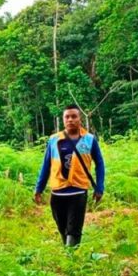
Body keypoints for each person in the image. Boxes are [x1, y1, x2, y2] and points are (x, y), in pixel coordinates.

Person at [34, 105, 105, 248]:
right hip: (57, 192)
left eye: (74, 116)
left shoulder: (89, 140)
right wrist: (39, 189)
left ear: (80, 119)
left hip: (78, 192)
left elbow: (100, 164)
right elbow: (46, 165)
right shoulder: (54, 140)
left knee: (74, 228)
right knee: (62, 227)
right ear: (63, 120)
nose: (70, 120)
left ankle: (70, 257)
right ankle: (68, 252)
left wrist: (99, 187)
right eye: (67, 117)